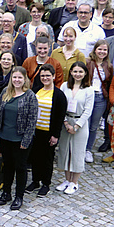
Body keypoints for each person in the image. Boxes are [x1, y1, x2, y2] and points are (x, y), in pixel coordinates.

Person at [0, 67, 38, 210]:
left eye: (19, 78)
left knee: (20, 168)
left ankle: (19, 196)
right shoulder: (6, 92)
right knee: (8, 165)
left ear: (25, 79)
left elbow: (32, 120)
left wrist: (26, 140)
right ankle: (6, 192)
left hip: (20, 139)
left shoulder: (30, 96)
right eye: (14, 77)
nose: (17, 80)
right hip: (5, 136)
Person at [26, 64, 68, 196]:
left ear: (54, 76)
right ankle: (35, 181)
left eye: (48, 75)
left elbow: (60, 116)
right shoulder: (37, 90)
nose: (45, 78)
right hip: (35, 131)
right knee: (35, 157)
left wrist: (55, 135)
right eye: (42, 75)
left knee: (47, 159)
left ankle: (46, 183)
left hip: (48, 132)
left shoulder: (59, 95)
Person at [56, 62, 94, 195]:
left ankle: (74, 182)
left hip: (80, 123)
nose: (78, 74)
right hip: (66, 120)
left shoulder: (89, 89)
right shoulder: (65, 86)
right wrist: (66, 123)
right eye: (75, 71)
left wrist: (77, 126)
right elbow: (60, 105)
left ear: (85, 74)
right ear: (71, 72)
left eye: (80, 72)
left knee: (77, 153)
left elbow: (88, 111)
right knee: (65, 151)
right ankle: (67, 180)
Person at [86, 40, 113, 159]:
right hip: (88, 96)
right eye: (100, 49)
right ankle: (80, 148)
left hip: (101, 98)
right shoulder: (88, 62)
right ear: (95, 50)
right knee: (85, 124)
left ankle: (88, 150)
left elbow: (109, 83)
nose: (102, 52)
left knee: (93, 126)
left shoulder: (109, 66)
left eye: (104, 50)